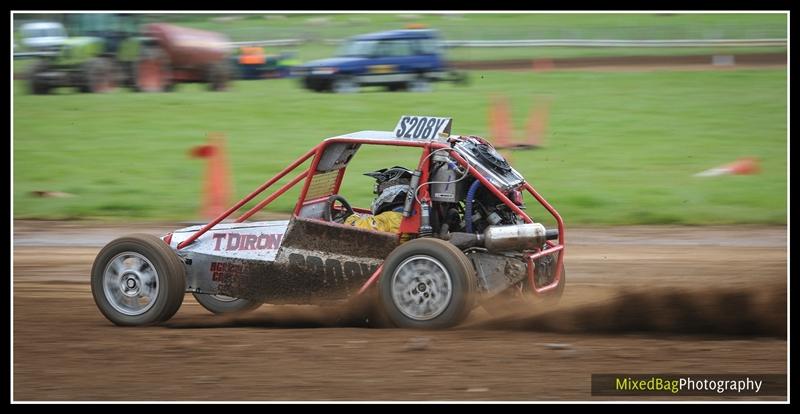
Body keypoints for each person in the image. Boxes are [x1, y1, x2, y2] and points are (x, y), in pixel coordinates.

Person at [344, 166, 412, 233]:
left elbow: (350, 229)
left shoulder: (390, 218)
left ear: (391, 189)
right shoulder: (406, 216)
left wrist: (351, 218)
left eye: (380, 190)